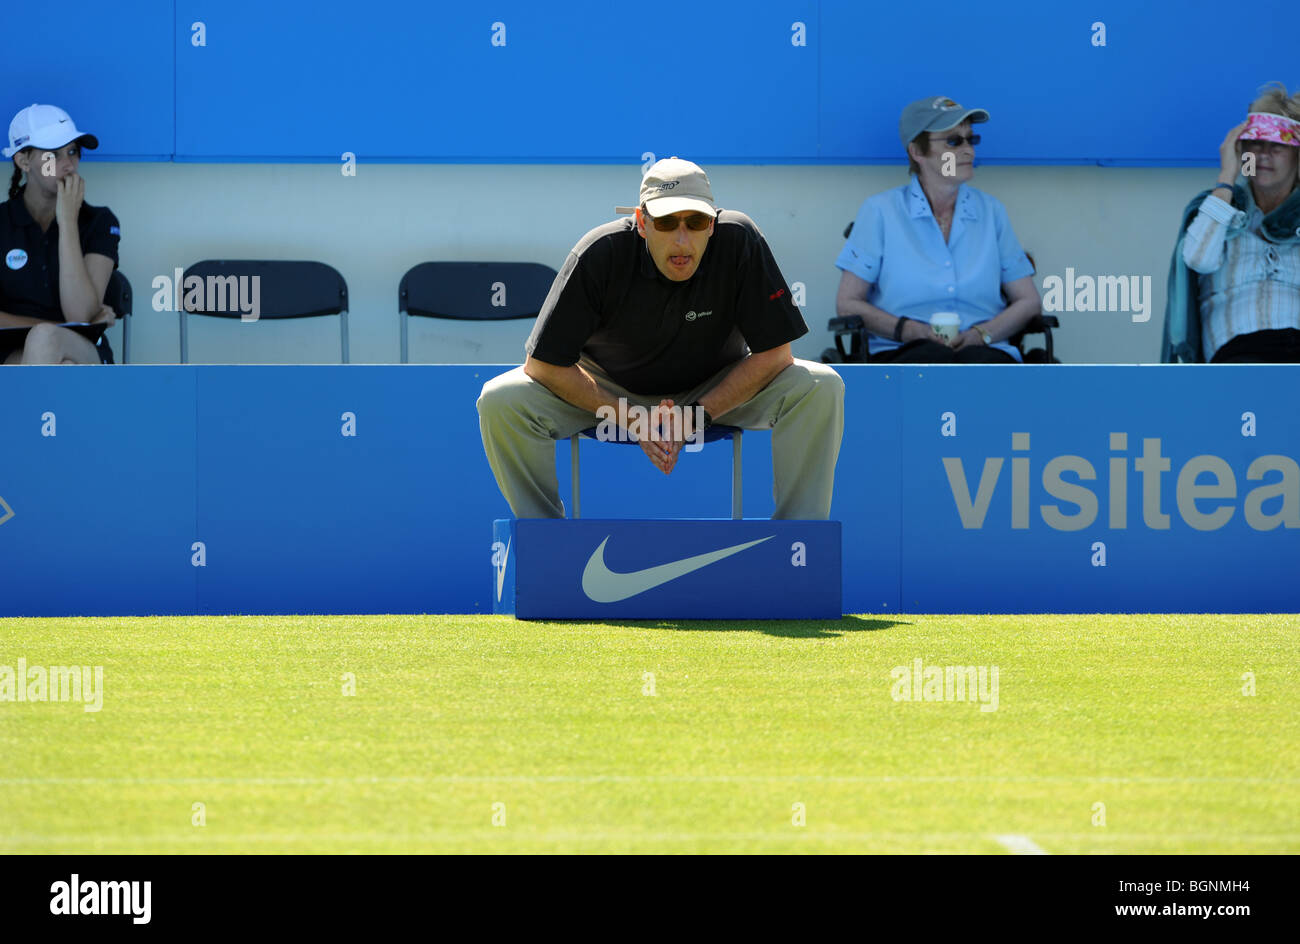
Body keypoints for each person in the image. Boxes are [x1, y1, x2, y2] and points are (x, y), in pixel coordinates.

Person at [477, 157, 844, 519]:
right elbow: (543, 366)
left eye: (696, 221)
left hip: (715, 389)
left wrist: (695, 416)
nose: (682, 239)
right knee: (501, 399)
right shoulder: (598, 252)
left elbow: (775, 356)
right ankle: (544, 543)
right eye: (667, 222)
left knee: (819, 386)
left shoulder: (740, 240)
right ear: (642, 222)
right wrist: (632, 418)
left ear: (713, 224)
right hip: (608, 390)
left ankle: (801, 545)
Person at [834, 96, 1041, 362]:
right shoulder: (880, 211)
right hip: (904, 350)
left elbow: (1028, 301)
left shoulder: (991, 211)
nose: (969, 151)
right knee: (931, 358)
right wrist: (910, 330)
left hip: (983, 351)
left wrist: (982, 334)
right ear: (917, 152)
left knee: (979, 363)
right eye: (953, 141)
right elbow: (847, 303)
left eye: (971, 139)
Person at [1163, 83, 1300, 363]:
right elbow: (1198, 259)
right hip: (1236, 359)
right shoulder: (1218, 208)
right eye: (1254, 143)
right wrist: (1228, 175)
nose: (1263, 154)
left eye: (1277, 146)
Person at [1, 103, 120, 365]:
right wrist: (62, 326)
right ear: (23, 161)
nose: (68, 165)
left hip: (84, 351)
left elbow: (79, 312)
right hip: (11, 355)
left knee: (47, 342)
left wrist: (67, 221)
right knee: (47, 347)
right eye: (53, 155)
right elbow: (82, 322)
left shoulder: (99, 221)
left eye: (73, 151)